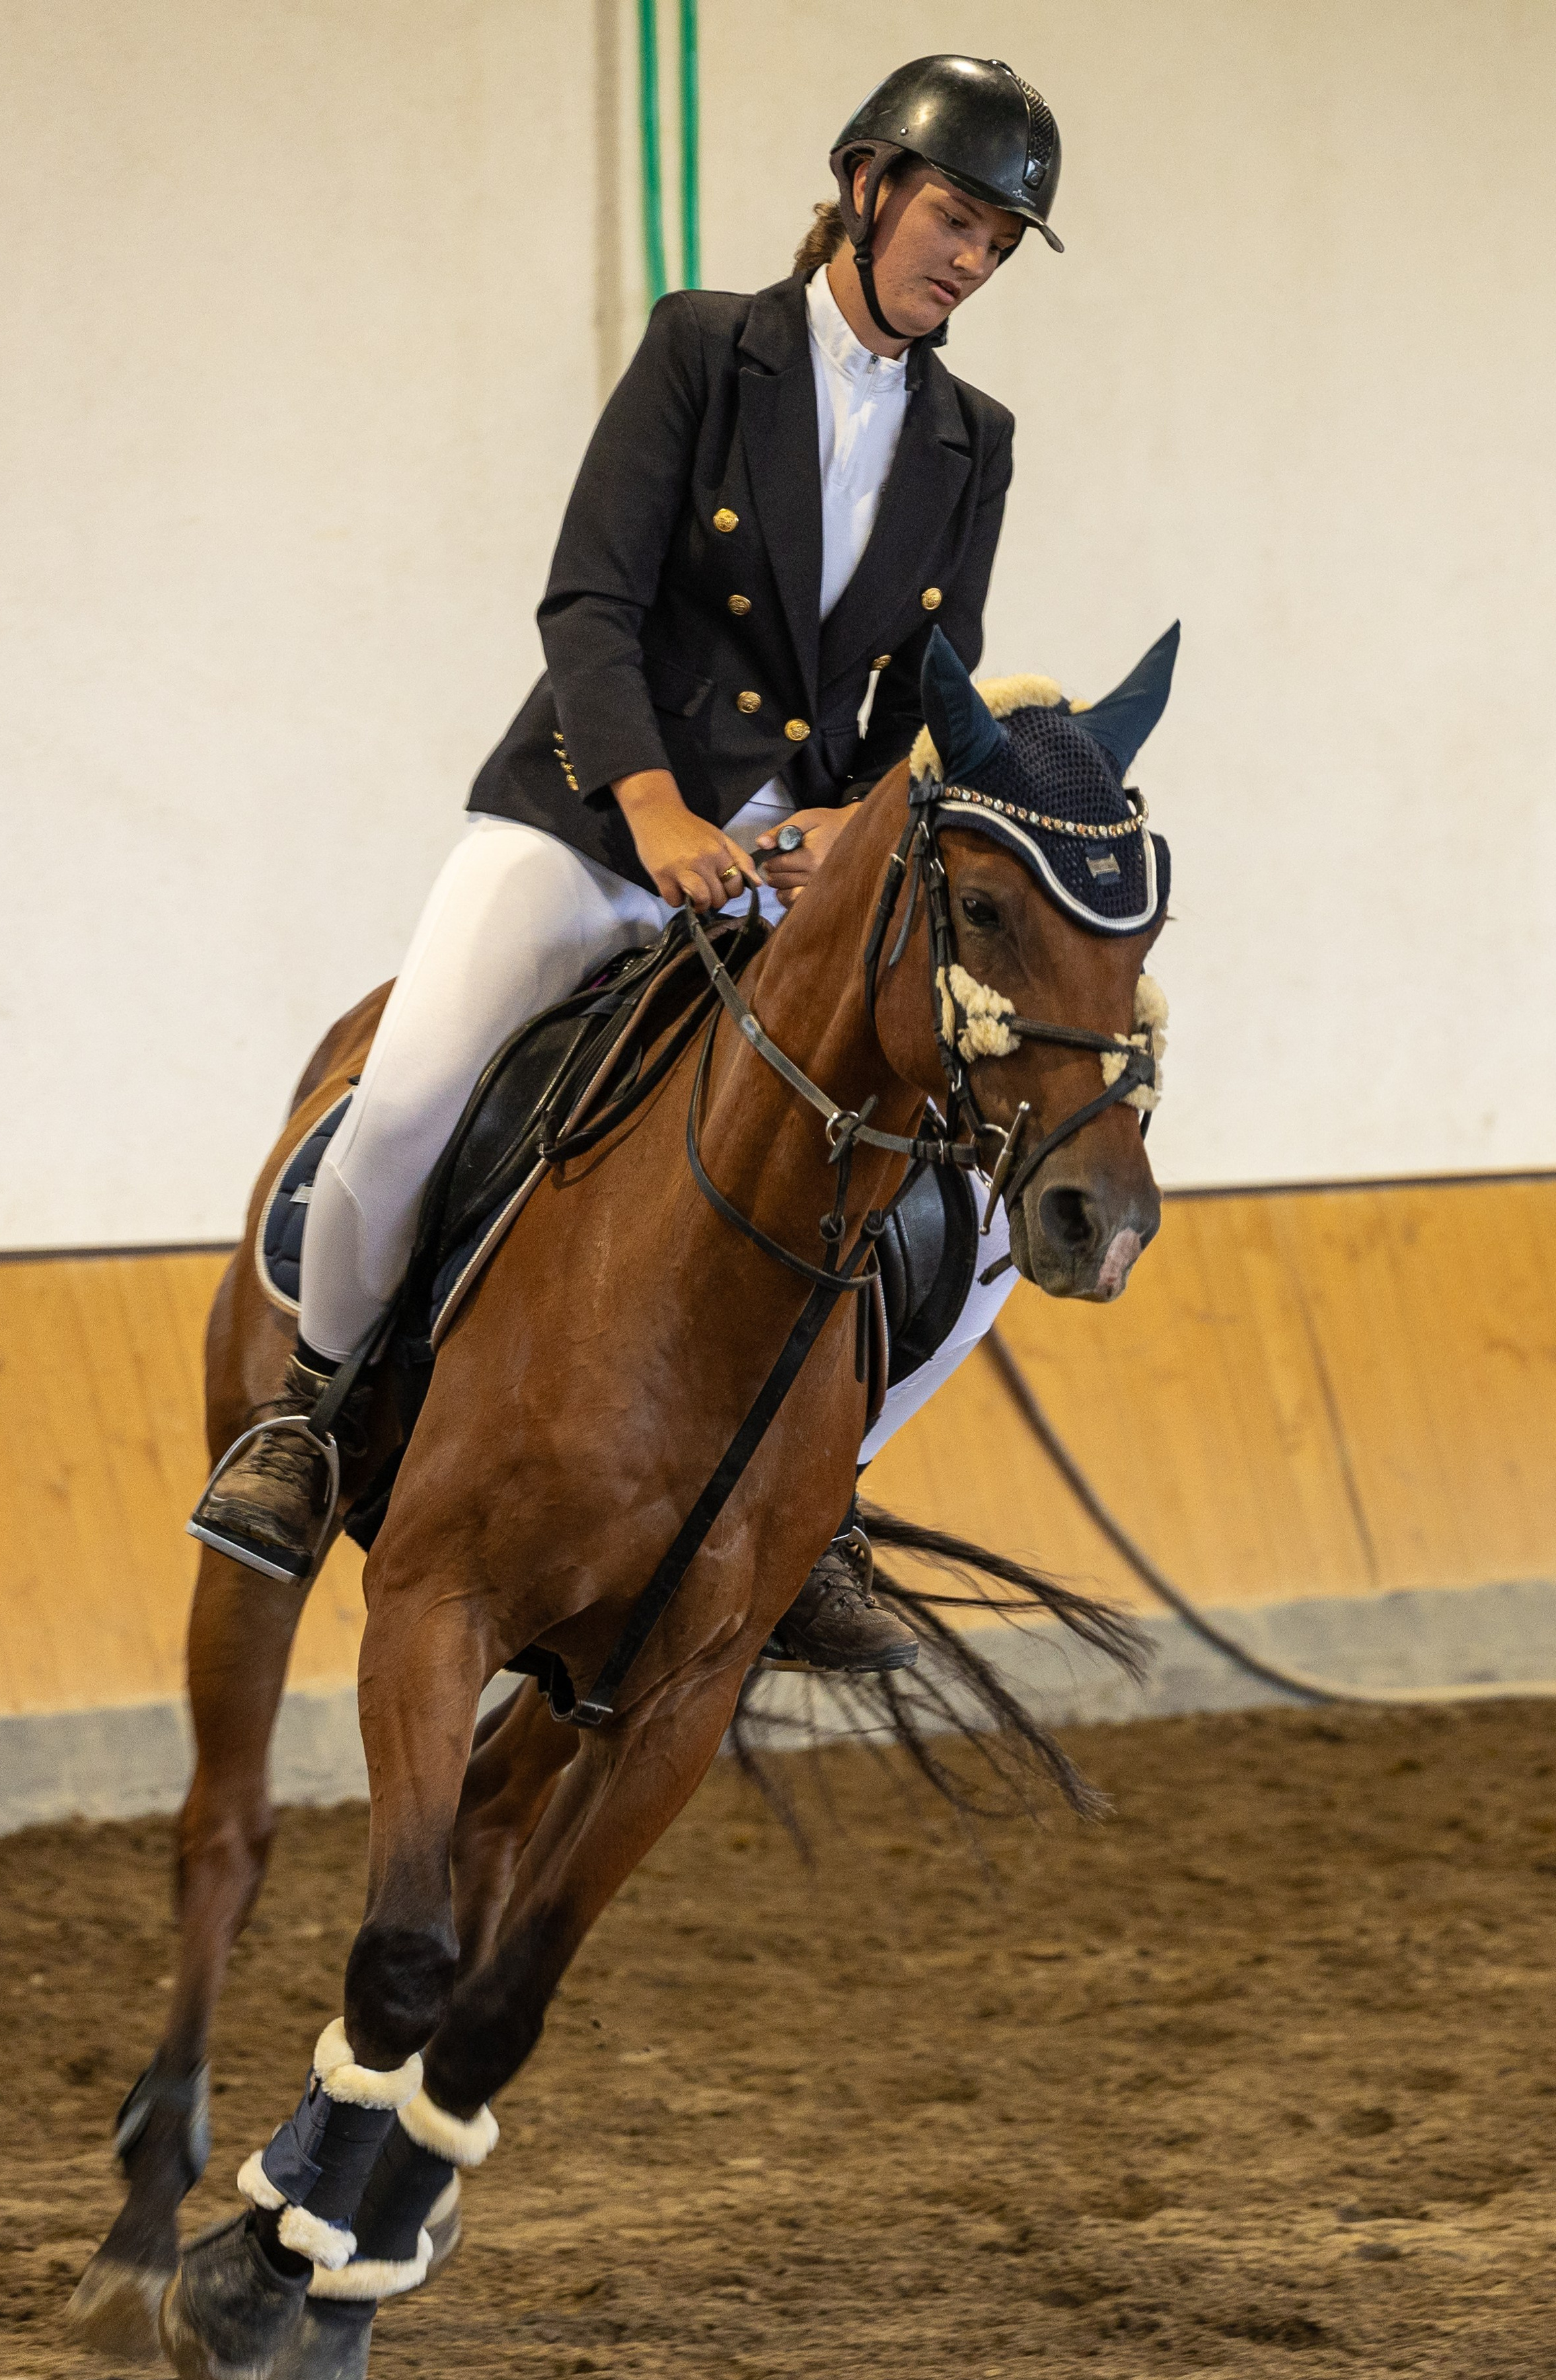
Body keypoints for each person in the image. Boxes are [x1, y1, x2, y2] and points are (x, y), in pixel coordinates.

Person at [192, 54, 1065, 1668]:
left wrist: (851, 819)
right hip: (591, 820)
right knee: (407, 1095)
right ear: (867, 186)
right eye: (955, 217)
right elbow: (587, 605)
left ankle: (822, 1498)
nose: (970, 260)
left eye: (1000, 244)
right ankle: (307, 1419)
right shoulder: (702, 352)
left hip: (791, 871)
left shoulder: (973, 439)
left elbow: (926, 686)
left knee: (979, 1202)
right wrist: (656, 808)